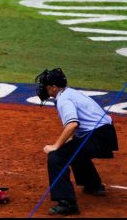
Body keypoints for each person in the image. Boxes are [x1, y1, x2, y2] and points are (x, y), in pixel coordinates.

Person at [35, 68, 119, 216]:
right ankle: (93, 185)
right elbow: (76, 130)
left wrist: (55, 146)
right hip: (106, 133)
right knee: (73, 149)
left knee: (57, 157)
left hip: (97, 136)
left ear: (54, 87)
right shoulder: (70, 93)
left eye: (46, 85)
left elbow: (73, 124)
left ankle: (67, 203)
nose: (43, 88)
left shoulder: (64, 99)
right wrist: (64, 143)